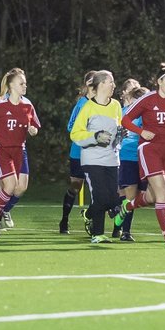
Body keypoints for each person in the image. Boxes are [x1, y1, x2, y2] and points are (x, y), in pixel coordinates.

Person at [112, 63, 165, 249]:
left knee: (152, 197)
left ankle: (127, 207)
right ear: (159, 81)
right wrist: (141, 132)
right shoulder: (147, 99)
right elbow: (125, 120)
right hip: (149, 149)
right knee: (163, 193)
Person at [0, 68, 41, 239]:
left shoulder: (28, 105)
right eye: (21, 83)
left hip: (19, 150)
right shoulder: (0, 105)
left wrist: (33, 130)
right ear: (11, 85)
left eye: (25, 83)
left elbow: (35, 126)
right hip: (2, 150)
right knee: (10, 185)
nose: (25, 86)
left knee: (21, 187)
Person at [68, 70, 121, 243]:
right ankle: (98, 234)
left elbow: (118, 132)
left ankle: (88, 213)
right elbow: (75, 134)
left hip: (112, 160)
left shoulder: (116, 106)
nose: (113, 85)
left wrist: (121, 137)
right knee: (100, 198)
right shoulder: (88, 107)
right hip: (92, 160)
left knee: (113, 199)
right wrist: (94, 137)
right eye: (110, 82)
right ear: (100, 85)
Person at [59, 71, 95, 234]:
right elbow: (70, 126)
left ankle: (93, 221)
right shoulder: (81, 103)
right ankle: (64, 221)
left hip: (96, 154)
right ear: (87, 84)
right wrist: (86, 134)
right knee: (76, 186)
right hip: (79, 153)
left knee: (97, 188)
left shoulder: (102, 104)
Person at [113, 81, 146, 241]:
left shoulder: (145, 115)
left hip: (142, 158)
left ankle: (116, 216)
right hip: (127, 157)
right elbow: (116, 137)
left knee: (135, 196)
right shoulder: (123, 113)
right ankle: (125, 232)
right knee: (130, 196)